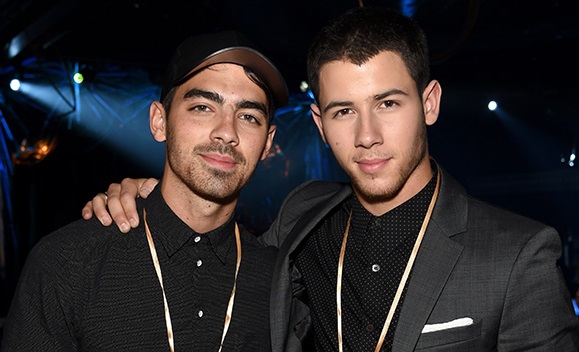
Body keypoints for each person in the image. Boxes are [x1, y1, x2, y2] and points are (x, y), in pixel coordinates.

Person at [81, 7, 579, 351]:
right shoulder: (304, 215)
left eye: (387, 103)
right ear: (319, 125)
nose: (367, 135)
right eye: (344, 111)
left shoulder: (519, 255)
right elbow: (212, 244)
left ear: (429, 103)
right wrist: (145, 194)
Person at [1, 30, 289, 351]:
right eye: (202, 107)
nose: (226, 132)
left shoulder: (281, 281)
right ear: (159, 122)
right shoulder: (69, 263)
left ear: (268, 143)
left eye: (248, 116)